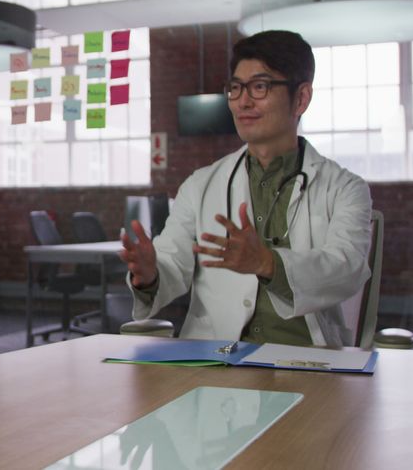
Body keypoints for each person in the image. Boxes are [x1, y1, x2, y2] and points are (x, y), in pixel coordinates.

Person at [119, 30, 372, 348]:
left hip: (307, 360)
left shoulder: (345, 188)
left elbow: (346, 267)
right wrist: (150, 273)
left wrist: (267, 262)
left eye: (260, 86)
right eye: (235, 88)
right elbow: (173, 264)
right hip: (215, 358)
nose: (243, 101)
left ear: (301, 98)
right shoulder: (201, 185)